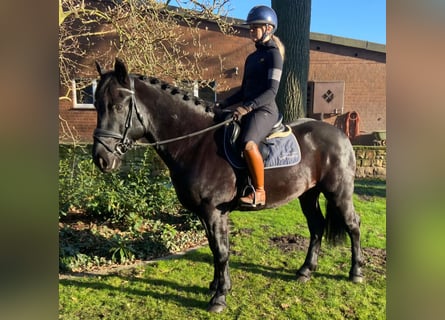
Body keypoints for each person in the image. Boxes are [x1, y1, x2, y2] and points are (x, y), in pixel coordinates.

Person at [216, 5, 285, 208]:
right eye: (250, 27)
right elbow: (244, 90)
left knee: (247, 143)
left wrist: (248, 108)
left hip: (265, 109)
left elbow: (271, 91)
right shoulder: (252, 57)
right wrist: (225, 103)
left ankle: (260, 193)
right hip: (250, 106)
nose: (251, 31)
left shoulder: (274, 56)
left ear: (269, 28)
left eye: (255, 27)